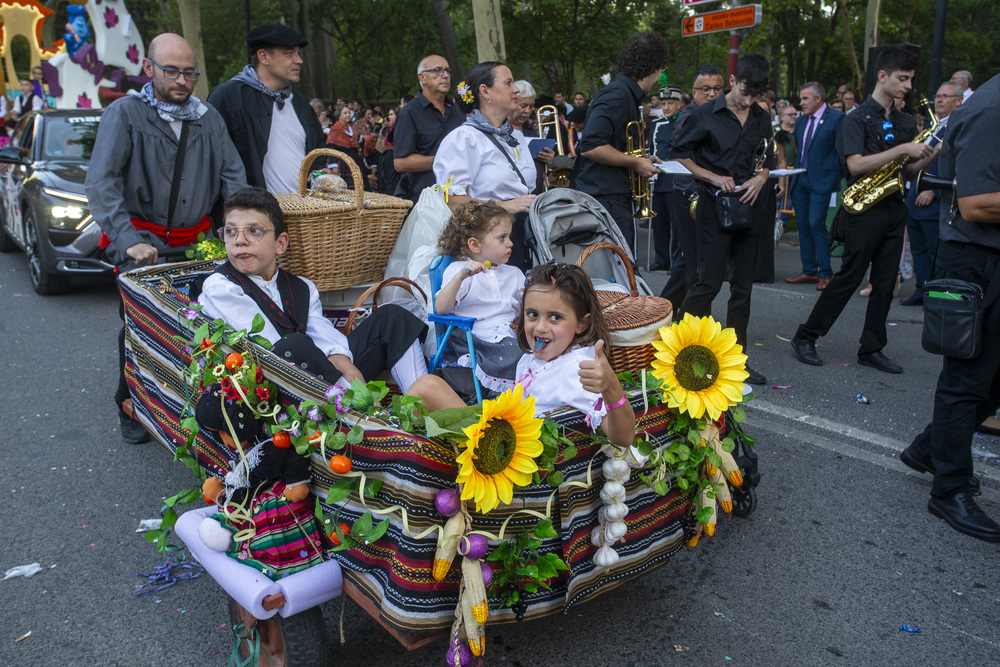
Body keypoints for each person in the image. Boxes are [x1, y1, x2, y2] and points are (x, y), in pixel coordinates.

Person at [85, 33, 247, 444]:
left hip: (196, 241)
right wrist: (127, 239)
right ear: (149, 68)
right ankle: (129, 405)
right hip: (142, 245)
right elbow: (101, 182)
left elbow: (233, 178)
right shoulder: (123, 114)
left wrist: (240, 230)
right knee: (138, 329)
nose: (181, 80)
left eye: (188, 72)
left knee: (201, 328)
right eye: (171, 71)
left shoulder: (208, 117)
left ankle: (185, 406)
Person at [199, 187, 465, 412]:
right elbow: (267, 346)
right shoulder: (220, 286)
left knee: (391, 316)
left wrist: (350, 370)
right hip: (276, 386)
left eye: (254, 231)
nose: (239, 242)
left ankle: (419, 402)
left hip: (322, 373)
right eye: (231, 232)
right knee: (293, 344)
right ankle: (368, 417)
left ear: (281, 243)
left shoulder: (301, 286)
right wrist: (353, 391)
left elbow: (324, 337)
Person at [790, 47, 937, 372]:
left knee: (885, 283)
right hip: (863, 210)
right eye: (902, 78)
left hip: (894, 206)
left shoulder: (902, 121)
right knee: (849, 278)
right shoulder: (855, 119)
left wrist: (932, 154)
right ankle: (806, 335)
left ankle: (871, 348)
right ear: (882, 76)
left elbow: (908, 171)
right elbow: (855, 165)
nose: (908, 86)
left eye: (911, 79)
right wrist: (902, 148)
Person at [899, 72, 1000, 542]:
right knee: (966, 380)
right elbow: (979, 204)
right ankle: (949, 489)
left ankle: (928, 447)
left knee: (992, 379)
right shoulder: (990, 111)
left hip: (988, 258)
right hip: (977, 262)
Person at [670, 54, 774, 386]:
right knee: (707, 283)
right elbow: (680, 154)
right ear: (732, 82)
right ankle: (679, 352)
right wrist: (713, 177)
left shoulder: (761, 116)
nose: (748, 100)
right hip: (715, 207)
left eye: (755, 95)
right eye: (744, 91)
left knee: (743, 287)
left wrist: (761, 177)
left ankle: (736, 361)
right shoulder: (704, 115)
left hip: (750, 205)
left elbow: (766, 158)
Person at [195, 386, 327, 577]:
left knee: (219, 530)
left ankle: (231, 536)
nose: (224, 440)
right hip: (259, 501)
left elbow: (290, 457)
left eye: (223, 432)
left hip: (273, 508)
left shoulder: (264, 453)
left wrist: (297, 483)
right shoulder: (252, 454)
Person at [513, 263, 636, 448]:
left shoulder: (577, 370)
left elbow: (624, 438)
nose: (540, 327)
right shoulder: (528, 359)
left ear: (582, 324)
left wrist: (611, 386)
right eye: (532, 314)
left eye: (555, 317)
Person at [433, 62, 537, 269]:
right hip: (488, 242)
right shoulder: (463, 139)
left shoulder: (516, 136)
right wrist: (506, 206)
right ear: (485, 91)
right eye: (508, 83)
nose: (516, 89)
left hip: (526, 234)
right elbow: (452, 201)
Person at [574, 32, 668, 257]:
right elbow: (591, 145)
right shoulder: (618, 95)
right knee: (617, 275)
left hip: (611, 197)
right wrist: (635, 162)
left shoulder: (625, 93)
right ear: (654, 67)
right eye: (662, 68)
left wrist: (641, 159)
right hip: (605, 199)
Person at [208, 23, 326, 194]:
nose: (299, 60)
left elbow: (318, 149)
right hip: (253, 214)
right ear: (264, 57)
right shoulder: (229, 97)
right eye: (289, 53)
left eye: (298, 53)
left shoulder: (300, 103)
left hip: (303, 213)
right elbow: (213, 159)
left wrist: (318, 170)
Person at [435, 201, 525, 393]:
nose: (510, 243)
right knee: (520, 353)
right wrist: (461, 278)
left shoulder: (514, 273)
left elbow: (526, 309)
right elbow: (441, 309)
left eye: (509, 236)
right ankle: (504, 395)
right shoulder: (459, 271)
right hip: (477, 338)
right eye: (502, 238)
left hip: (511, 333)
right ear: (475, 245)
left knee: (542, 348)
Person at [659, 64, 725, 315]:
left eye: (717, 88)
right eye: (705, 89)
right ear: (694, 92)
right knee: (695, 263)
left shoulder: (720, 113)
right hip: (689, 194)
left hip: (705, 193)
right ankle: (693, 321)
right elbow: (682, 155)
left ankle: (661, 312)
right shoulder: (691, 116)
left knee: (691, 263)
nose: (711, 94)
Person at [899, 81, 963, 306]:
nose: (939, 100)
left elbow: (954, 163)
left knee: (934, 249)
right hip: (914, 195)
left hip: (933, 197)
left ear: (959, 100)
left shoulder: (958, 125)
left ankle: (936, 294)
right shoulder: (934, 126)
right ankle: (921, 290)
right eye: (938, 95)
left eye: (946, 96)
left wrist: (934, 191)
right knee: (918, 247)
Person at [785, 82, 845, 291]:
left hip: (822, 180)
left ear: (818, 99)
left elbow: (841, 150)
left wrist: (834, 172)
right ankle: (809, 270)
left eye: (805, 99)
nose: (801, 103)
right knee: (803, 224)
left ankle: (825, 273)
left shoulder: (836, 118)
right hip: (800, 179)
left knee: (816, 223)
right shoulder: (801, 122)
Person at [392, 55, 464, 202]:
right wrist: (443, 160)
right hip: (423, 198)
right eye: (437, 70)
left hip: (458, 196)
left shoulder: (457, 111)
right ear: (422, 78)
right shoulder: (409, 113)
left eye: (447, 70)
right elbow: (400, 163)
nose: (445, 75)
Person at [646, 87, 683, 271]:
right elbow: (652, 147)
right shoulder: (657, 123)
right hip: (659, 178)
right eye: (664, 104)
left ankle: (677, 262)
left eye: (670, 103)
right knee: (659, 223)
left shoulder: (684, 121)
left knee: (677, 224)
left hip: (676, 178)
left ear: (678, 104)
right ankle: (661, 259)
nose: (667, 107)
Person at [325, 104, 364, 190]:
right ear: (339, 116)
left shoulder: (351, 129)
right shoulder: (335, 129)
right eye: (345, 113)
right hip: (342, 163)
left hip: (353, 162)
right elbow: (331, 148)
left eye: (349, 113)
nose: (348, 115)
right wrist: (334, 166)